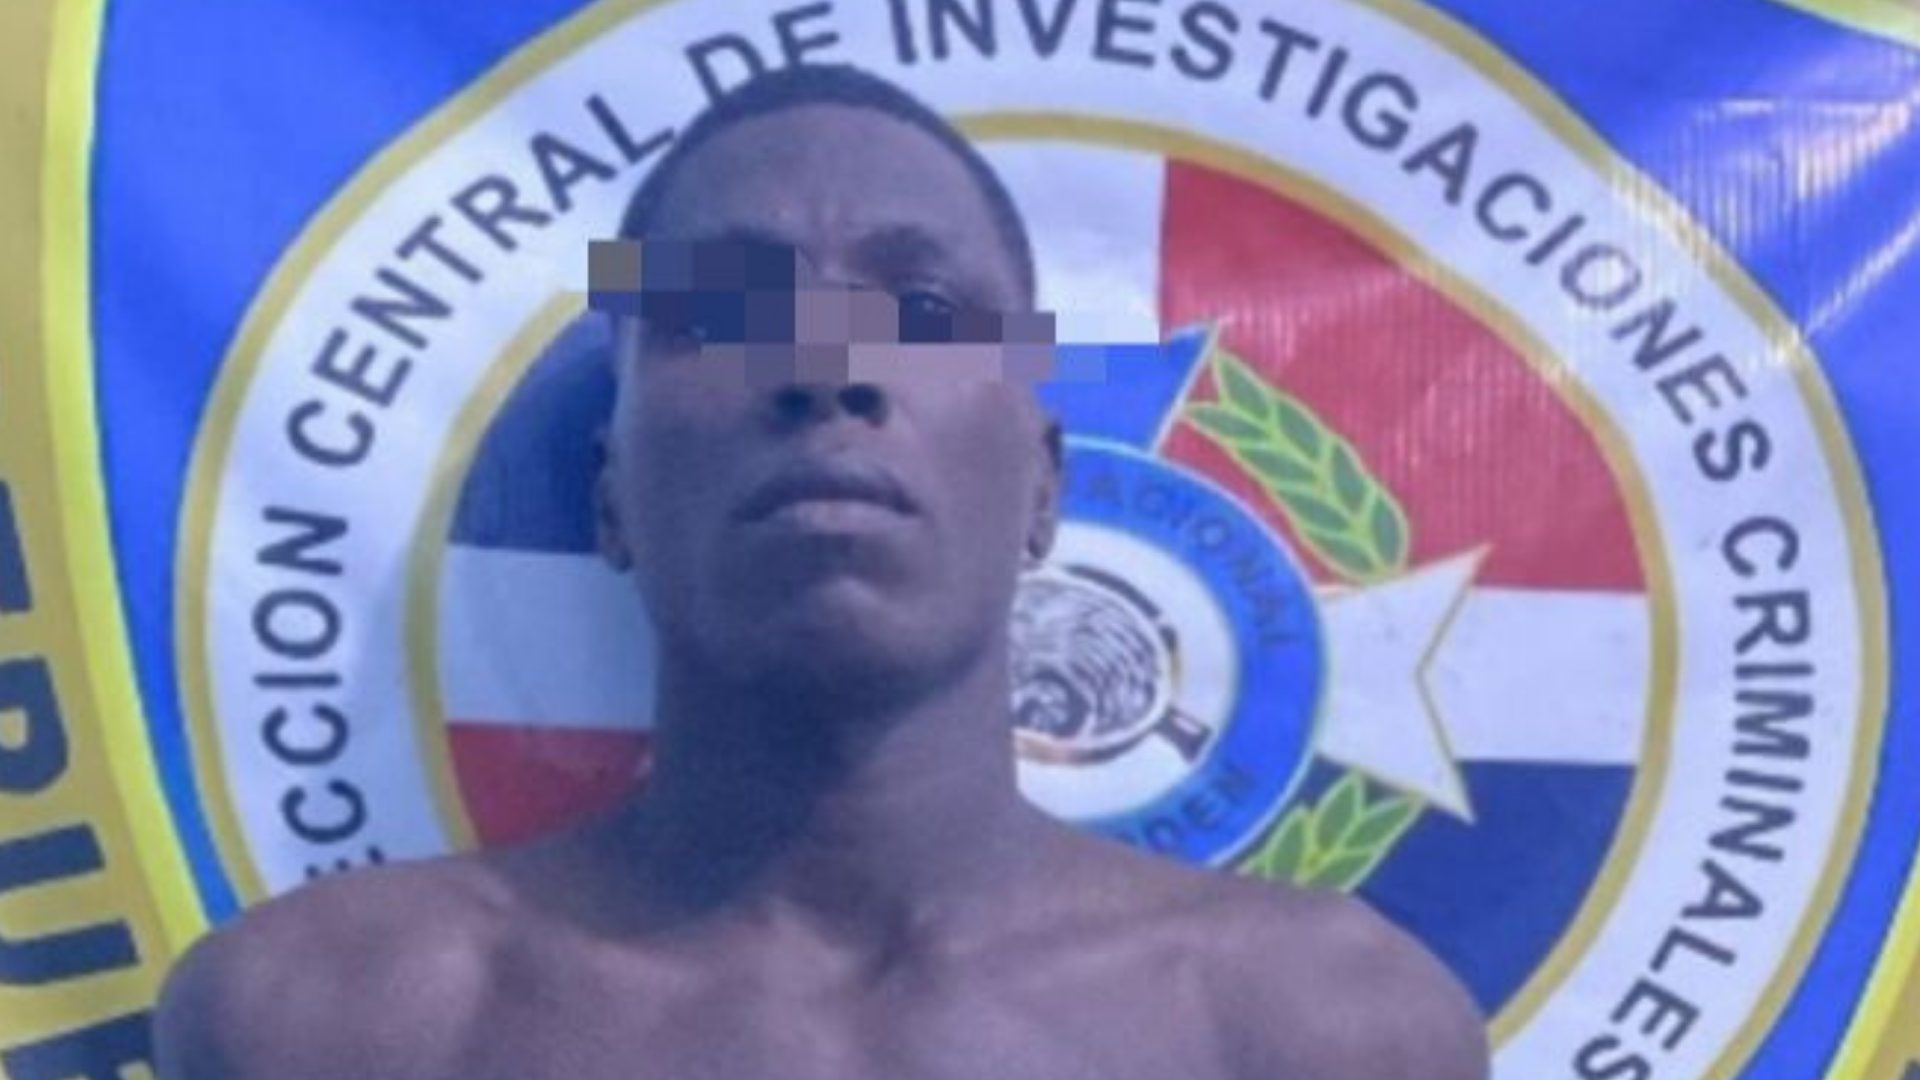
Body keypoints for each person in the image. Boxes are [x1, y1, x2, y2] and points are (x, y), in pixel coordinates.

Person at [154, 63, 1489, 1080]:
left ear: (1043, 486)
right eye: (721, 311)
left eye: (924, 312)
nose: (828, 368)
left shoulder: (1317, 1029)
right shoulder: (330, 1023)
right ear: (612, 496)